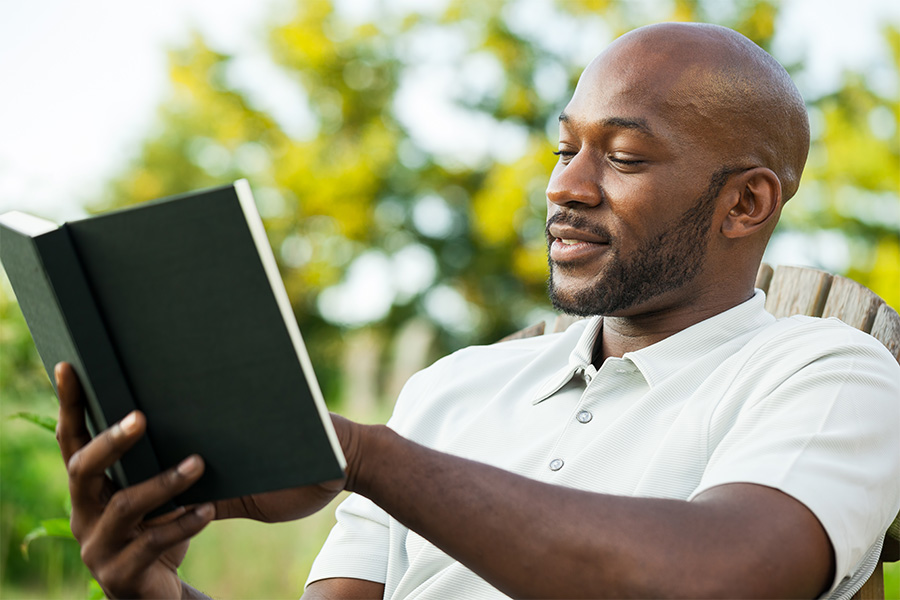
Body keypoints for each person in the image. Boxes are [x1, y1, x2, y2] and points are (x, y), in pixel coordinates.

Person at [53, 21, 899, 599]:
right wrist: (153, 588)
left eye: (625, 156)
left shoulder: (828, 374)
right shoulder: (449, 391)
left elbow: (720, 579)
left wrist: (364, 456)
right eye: (566, 147)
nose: (564, 185)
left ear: (746, 205)